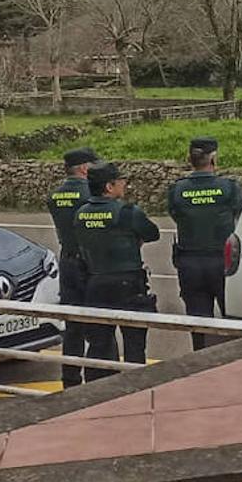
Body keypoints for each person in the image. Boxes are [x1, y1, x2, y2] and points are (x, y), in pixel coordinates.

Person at [74, 161, 159, 380]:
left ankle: (95, 391)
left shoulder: (81, 213)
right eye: (120, 181)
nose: (125, 184)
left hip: (96, 283)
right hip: (128, 284)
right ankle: (135, 388)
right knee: (134, 344)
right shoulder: (127, 212)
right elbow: (152, 233)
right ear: (109, 187)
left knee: (98, 345)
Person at [167, 137, 242, 350]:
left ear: (189, 159)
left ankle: (201, 361)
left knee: (198, 322)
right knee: (232, 320)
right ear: (213, 159)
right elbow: (239, 212)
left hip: (189, 262)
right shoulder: (228, 187)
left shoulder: (177, 190)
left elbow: (175, 215)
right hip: (223, 262)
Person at [45, 147, 99, 388]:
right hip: (89, 262)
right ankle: (99, 378)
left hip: (66, 260)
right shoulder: (90, 193)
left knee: (73, 325)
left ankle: (70, 379)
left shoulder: (55, 195)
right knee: (99, 324)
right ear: (85, 168)